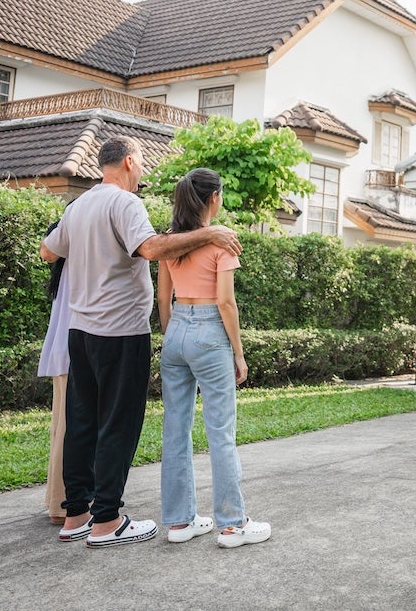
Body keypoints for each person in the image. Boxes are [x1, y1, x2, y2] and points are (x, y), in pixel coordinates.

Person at [40, 136, 241, 549]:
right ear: (130, 161)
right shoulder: (125, 203)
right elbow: (151, 248)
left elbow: (47, 251)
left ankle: (75, 514)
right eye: (143, 162)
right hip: (119, 330)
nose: (144, 170)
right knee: (118, 423)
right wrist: (211, 234)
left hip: (80, 329)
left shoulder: (78, 205)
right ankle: (107, 521)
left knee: (82, 422)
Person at [157, 168, 271, 548]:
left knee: (176, 430)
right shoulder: (222, 242)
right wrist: (238, 353)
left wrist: (177, 335)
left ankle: (179, 522)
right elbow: (226, 302)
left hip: (175, 331)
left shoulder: (170, 241)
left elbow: (162, 300)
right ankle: (232, 525)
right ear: (214, 199)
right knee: (220, 431)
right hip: (209, 331)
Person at [37, 220, 71, 525]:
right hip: (75, 353)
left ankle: (57, 501)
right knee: (69, 428)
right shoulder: (77, 263)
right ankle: (62, 505)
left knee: (63, 426)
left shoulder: (65, 265)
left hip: (66, 353)